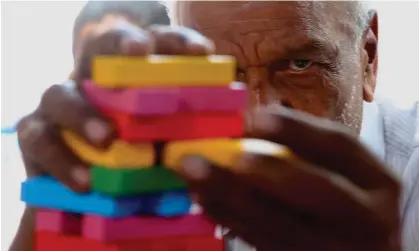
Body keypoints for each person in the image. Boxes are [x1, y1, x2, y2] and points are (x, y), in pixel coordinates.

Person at [11, 1, 418, 251]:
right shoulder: (160, 166)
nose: (259, 112)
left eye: (300, 65)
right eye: (223, 74)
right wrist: (58, 218)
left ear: (368, 57)